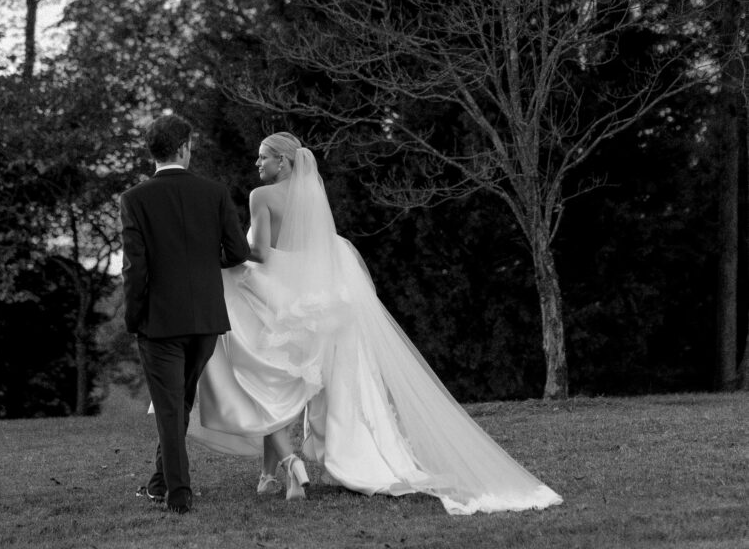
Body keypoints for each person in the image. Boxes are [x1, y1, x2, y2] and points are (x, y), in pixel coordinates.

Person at [187, 131, 563, 515]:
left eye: (263, 157)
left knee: (267, 383)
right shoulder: (311, 195)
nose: (257, 164)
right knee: (286, 384)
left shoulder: (260, 196)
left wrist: (216, 252)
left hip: (275, 300)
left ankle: (288, 466)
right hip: (316, 302)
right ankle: (271, 475)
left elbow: (262, 253)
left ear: (282, 162)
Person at [121, 113, 250, 514]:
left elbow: (134, 268)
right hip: (207, 320)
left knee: (171, 406)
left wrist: (133, 317)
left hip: (159, 321)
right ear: (183, 148)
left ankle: (178, 493)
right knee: (179, 403)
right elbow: (239, 252)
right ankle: (162, 482)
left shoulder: (135, 199)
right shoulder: (213, 193)